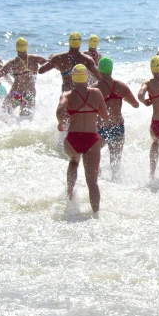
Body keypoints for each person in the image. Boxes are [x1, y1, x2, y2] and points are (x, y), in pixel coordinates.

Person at [55, 64, 108, 214]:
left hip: (73, 138)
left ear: (73, 77)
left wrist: (60, 122)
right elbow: (104, 116)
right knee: (92, 182)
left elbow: (60, 110)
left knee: (73, 162)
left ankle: (70, 195)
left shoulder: (67, 95)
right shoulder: (96, 93)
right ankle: (96, 214)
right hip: (91, 138)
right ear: (86, 77)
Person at [95, 57, 139, 174]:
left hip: (101, 128)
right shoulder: (121, 86)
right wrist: (121, 97)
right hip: (117, 127)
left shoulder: (95, 88)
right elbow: (135, 104)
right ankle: (116, 184)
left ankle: (99, 182)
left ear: (99, 71)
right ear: (111, 70)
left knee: (95, 157)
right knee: (115, 161)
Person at [0, 37, 47, 117]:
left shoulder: (12, 63)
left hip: (16, 94)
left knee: (3, 115)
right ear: (27, 46)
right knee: (26, 120)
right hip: (29, 94)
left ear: (16, 47)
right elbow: (50, 65)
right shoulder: (35, 59)